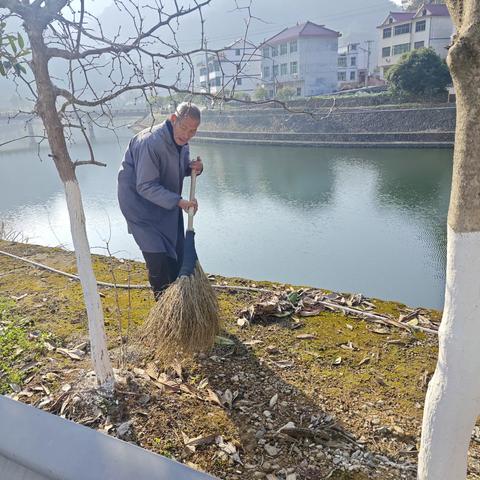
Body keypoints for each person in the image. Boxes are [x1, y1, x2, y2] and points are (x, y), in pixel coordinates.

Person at [117, 102, 203, 299]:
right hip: (141, 209)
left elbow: (174, 170)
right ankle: (164, 310)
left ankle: (178, 305)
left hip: (165, 204)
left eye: (193, 131)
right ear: (173, 119)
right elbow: (145, 185)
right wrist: (179, 202)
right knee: (158, 259)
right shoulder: (150, 143)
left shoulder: (181, 141)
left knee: (176, 254)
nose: (187, 134)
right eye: (184, 128)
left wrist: (194, 168)